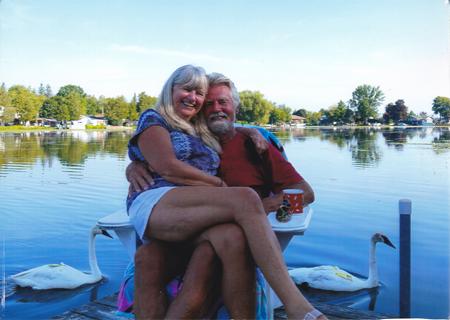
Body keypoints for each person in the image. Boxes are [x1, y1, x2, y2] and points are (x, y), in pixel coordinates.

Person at [126, 65, 325, 320]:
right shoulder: (195, 137)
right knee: (146, 257)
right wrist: (134, 165)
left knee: (214, 253)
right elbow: (160, 154)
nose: (216, 108)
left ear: (235, 108)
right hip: (182, 220)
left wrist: (271, 207)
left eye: (223, 102)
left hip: (231, 233)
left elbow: (304, 194)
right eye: (208, 103)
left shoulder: (257, 146)